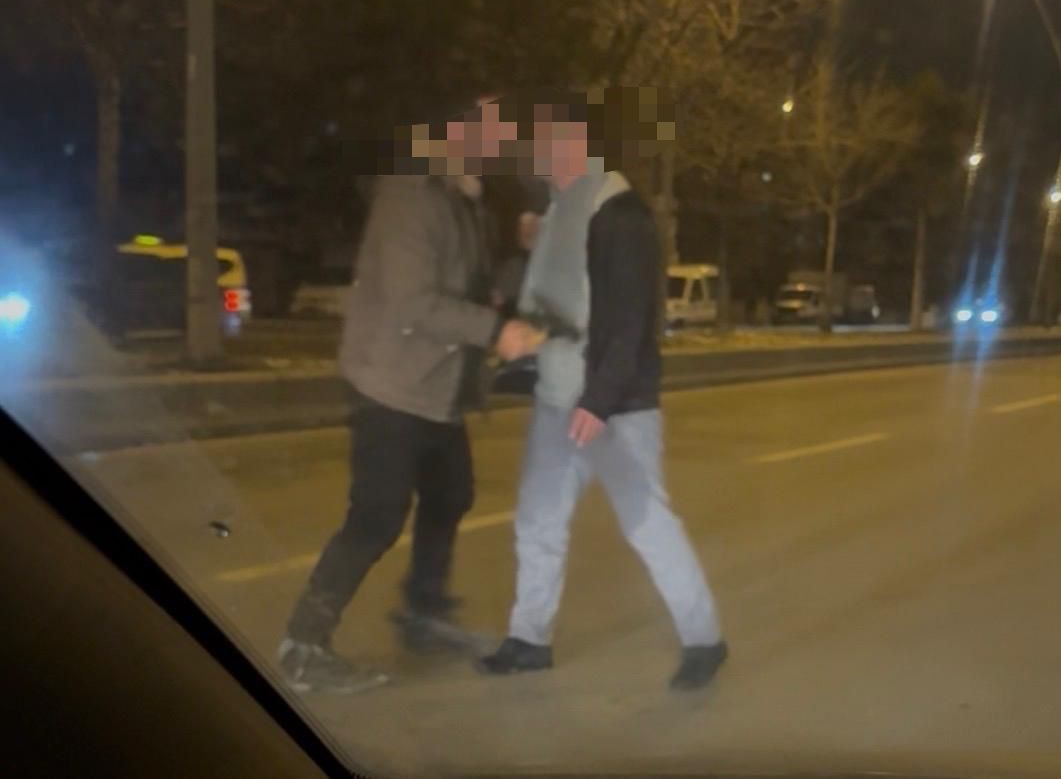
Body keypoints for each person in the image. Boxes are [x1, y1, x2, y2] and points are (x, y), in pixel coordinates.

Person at [279, 96, 543, 695]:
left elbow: (478, 295)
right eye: (490, 127)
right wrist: (495, 332)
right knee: (377, 514)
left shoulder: (467, 204)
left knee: (452, 493)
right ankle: (303, 644)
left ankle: (422, 610)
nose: (501, 140)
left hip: (437, 387)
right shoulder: (411, 196)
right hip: (390, 382)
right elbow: (411, 303)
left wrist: (521, 256)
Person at [479, 90, 727, 691]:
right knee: (538, 521)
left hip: (613, 407)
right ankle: (529, 639)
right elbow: (553, 304)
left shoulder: (620, 213)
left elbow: (631, 318)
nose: (529, 153)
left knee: (648, 525)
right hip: (557, 397)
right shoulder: (559, 211)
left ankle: (704, 640)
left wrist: (600, 400)